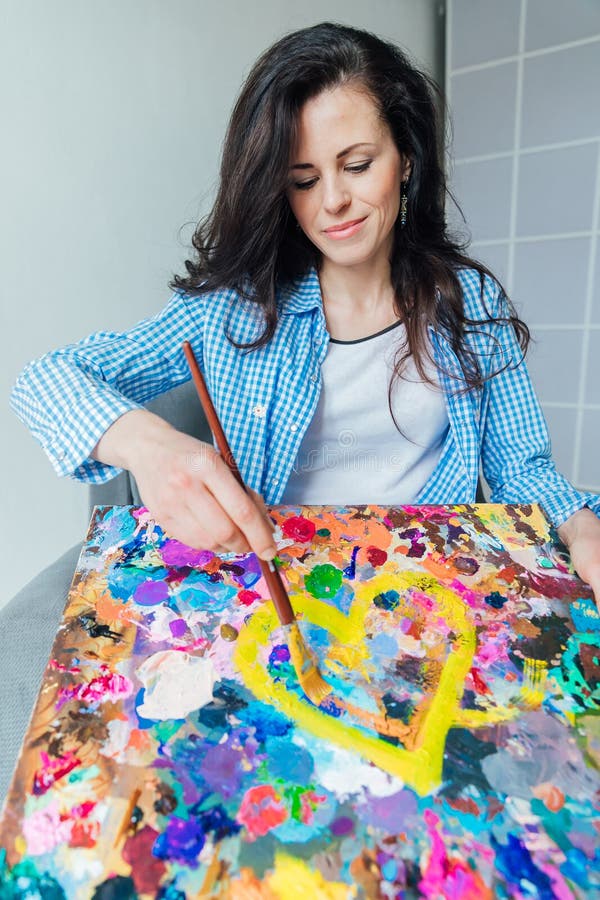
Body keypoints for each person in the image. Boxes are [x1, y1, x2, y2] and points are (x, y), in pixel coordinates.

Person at [10, 21, 600, 605]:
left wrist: (583, 529)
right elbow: (44, 381)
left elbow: (522, 471)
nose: (333, 201)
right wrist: (150, 447)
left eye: (359, 164)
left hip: (425, 591)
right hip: (277, 592)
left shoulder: (469, 304)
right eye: (303, 180)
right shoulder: (232, 307)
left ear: (408, 158)